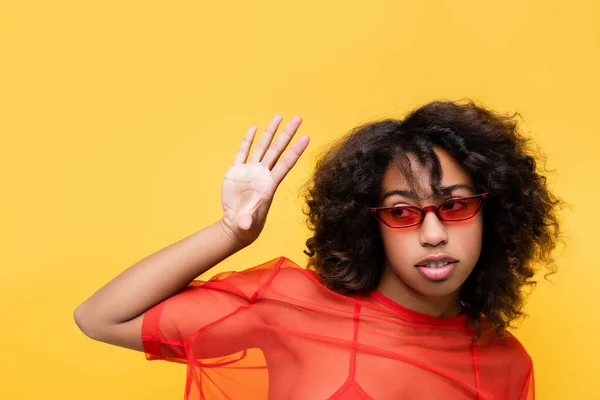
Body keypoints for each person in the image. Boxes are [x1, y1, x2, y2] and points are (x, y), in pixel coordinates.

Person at [74, 100, 563, 400]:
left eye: (454, 207)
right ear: (369, 224)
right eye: (401, 211)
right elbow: (100, 318)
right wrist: (230, 233)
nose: (432, 233)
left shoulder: (508, 362)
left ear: (493, 215)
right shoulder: (291, 307)